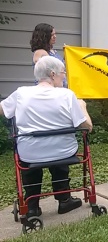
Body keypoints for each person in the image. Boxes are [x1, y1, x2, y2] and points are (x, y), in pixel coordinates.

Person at [0, 56, 93, 217]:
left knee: (30, 158)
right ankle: (64, 200)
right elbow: (87, 127)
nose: (64, 76)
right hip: (63, 151)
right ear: (52, 74)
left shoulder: (21, 93)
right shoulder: (67, 95)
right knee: (58, 150)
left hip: (30, 152)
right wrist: (82, 106)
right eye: (63, 73)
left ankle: (31, 206)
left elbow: (2, 110)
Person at [30, 23, 67, 87]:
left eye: (55, 34)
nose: (55, 36)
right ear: (44, 37)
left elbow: (59, 67)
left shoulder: (53, 51)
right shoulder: (40, 52)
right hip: (47, 89)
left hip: (57, 88)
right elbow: (47, 69)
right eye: (52, 35)